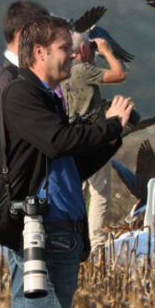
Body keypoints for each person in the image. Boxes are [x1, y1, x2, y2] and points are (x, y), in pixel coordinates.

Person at [0, 15, 133, 308]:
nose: (73, 54)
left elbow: (70, 166)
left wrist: (115, 135)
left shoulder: (48, 98)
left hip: (63, 232)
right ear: (39, 52)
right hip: (42, 232)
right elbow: (58, 141)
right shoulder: (22, 93)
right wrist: (108, 127)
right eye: (64, 47)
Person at [61, 31, 127, 252]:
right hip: (94, 138)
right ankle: (96, 243)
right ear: (81, 51)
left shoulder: (60, 71)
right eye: (90, 48)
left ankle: (74, 238)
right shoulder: (81, 69)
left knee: (77, 189)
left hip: (72, 138)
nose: (93, 51)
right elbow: (119, 75)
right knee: (99, 192)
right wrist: (107, 51)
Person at [0, 0, 49, 183]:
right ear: (21, 33)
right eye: (42, 32)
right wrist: (17, 192)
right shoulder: (1, 85)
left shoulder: (30, 78)